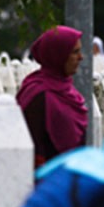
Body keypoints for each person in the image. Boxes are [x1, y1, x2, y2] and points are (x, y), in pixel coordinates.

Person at [17, 25, 87, 167]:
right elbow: (35, 150)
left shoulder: (67, 90)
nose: (81, 57)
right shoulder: (38, 94)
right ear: (58, 55)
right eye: (75, 52)